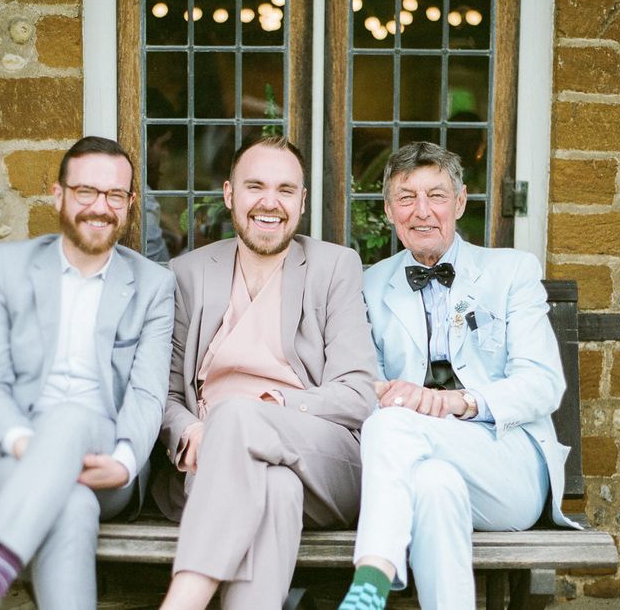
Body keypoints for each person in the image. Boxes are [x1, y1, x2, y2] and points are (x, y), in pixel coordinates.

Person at [0, 136, 175, 610]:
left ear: (129, 204)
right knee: (71, 506)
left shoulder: (152, 285)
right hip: (15, 458)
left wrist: (126, 462)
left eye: (114, 196)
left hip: (105, 458)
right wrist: (32, 446)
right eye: (86, 191)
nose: (100, 207)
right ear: (57, 193)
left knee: (70, 419)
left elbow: (148, 394)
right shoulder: (10, 267)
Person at [339, 142, 576, 610]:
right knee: (432, 486)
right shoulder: (368, 284)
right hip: (419, 461)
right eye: (406, 198)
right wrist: (389, 394)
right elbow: (364, 383)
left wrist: (457, 403)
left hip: (506, 460)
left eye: (437, 196)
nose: (421, 211)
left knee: (389, 425)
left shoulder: (511, 272)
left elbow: (543, 383)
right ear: (388, 210)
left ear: (461, 201)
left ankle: (372, 576)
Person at [151, 135, 380, 609]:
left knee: (236, 417)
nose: (269, 202)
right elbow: (165, 395)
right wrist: (189, 428)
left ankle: (183, 601)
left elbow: (358, 394)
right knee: (275, 488)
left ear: (301, 202)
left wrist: (269, 408)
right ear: (229, 194)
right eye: (254, 186)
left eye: (285, 189)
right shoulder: (188, 274)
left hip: (319, 458)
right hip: (212, 463)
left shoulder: (334, 267)